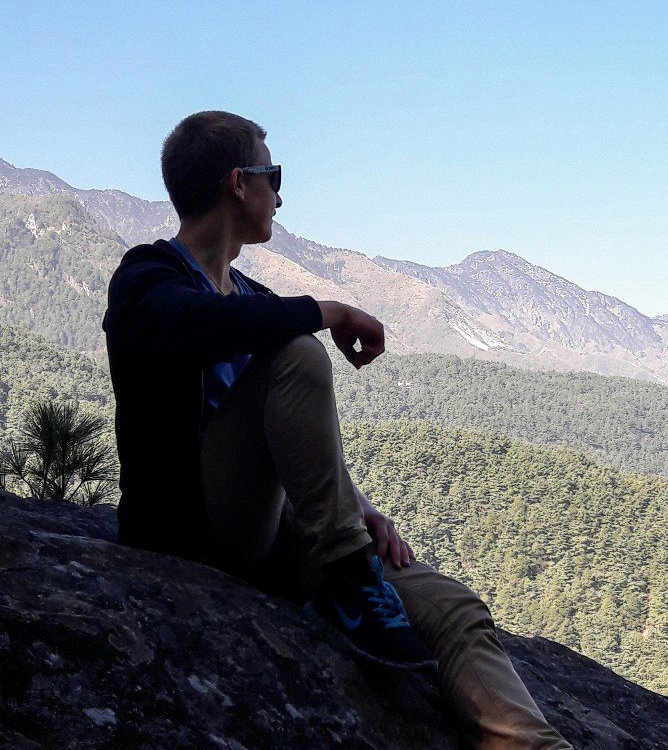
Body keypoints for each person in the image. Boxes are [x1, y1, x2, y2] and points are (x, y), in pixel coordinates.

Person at [103, 110, 573, 750]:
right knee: (296, 349)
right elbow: (199, 324)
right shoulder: (147, 277)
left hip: (278, 535)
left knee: (453, 609)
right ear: (239, 182)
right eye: (274, 176)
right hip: (190, 537)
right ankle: (352, 578)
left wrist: (360, 508)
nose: (280, 197)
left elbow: (293, 433)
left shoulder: (251, 297)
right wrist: (332, 312)